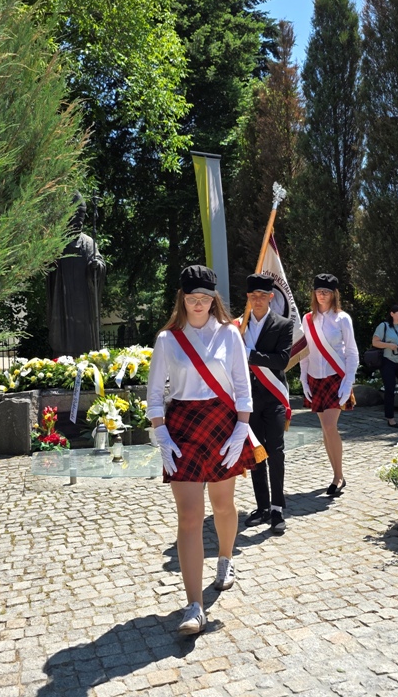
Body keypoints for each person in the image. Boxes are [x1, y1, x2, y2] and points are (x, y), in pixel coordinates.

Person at [146, 265, 258, 636]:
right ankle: (194, 605)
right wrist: (161, 434)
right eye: (192, 297)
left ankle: (225, 558)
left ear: (213, 299)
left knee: (223, 505)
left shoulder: (229, 334)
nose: (198, 304)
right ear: (182, 298)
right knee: (190, 516)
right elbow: (154, 395)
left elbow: (242, 386)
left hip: (223, 424)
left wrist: (241, 428)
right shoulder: (167, 339)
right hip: (183, 428)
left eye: (204, 298)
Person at [240, 274, 294, 534]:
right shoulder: (239, 326)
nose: (258, 300)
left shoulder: (283, 324)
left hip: (274, 398)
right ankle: (262, 507)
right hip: (249, 399)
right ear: (248, 298)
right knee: (256, 453)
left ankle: (277, 508)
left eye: (263, 295)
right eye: (253, 296)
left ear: (271, 297)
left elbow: (282, 360)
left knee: (276, 452)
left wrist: (250, 355)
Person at [298, 274, 358, 497]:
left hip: (336, 377)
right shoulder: (307, 319)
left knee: (330, 426)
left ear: (334, 294)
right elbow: (304, 351)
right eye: (318, 291)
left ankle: (338, 476)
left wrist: (348, 382)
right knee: (325, 428)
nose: (322, 295)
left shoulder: (342, 319)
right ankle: (336, 473)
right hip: (315, 377)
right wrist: (303, 378)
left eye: (326, 291)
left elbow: (352, 352)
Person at [45, 192, 106, 357]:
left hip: (82, 302)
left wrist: (96, 266)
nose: (79, 219)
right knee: (63, 335)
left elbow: (99, 262)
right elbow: (47, 268)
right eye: (76, 215)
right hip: (63, 299)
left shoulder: (88, 243)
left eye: (82, 215)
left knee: (83, 336)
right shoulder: (57, 242)